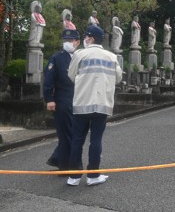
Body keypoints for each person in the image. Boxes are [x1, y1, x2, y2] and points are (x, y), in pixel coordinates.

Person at [67, 25, 122, 186]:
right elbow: (118, 78)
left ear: (90, 39)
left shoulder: (79, 54)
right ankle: (93, 175)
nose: (84, 39)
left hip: (81, 104)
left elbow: (71, 76)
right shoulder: (111, 57)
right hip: (102, 105)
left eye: (86, 37)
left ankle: (74, 177)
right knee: (96, 140)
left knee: (77, 139)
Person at [43, 29, 80, 171]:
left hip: (78, 100)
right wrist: (49, 99)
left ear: (77, 42)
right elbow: (48, 80)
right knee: (65, 134)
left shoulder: (80, 56)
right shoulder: (57, 58)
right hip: (62, 100)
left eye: (70, 41)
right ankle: (66, 167)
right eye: (65, 40)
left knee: (74, 133)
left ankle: (58, 158)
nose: (68, 43)